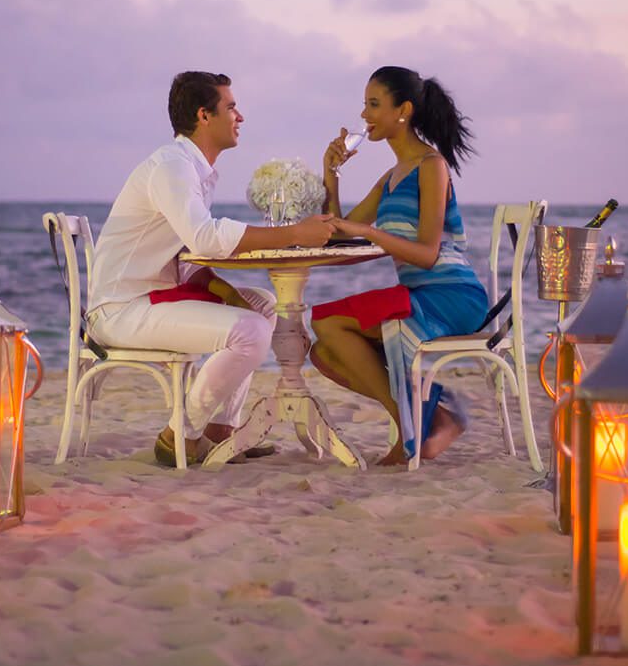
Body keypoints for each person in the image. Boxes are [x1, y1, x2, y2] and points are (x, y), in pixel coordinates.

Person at [87, 71, 336, 466]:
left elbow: (186, 257)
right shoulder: (172, 167)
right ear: (205, 116)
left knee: (263, 306)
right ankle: (179, 436)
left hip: (154, 296)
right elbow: (204, 238)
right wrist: (295, 234)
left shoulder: (192, 169)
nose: (240, 117)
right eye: (232, 107)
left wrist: (228, 292)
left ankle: (222, 432)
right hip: (120, 308)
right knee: (250, 330)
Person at [309, 65, 487, 466]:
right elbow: (338, 232)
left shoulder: (431, 166)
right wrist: (331, 175)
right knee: (324, 352)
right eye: (364, 104)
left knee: (328, 325)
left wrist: (369, 233)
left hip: (452, 295)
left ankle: (413, 426)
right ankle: (431, 415)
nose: (364, 115)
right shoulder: (390, 177)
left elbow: (426, 253)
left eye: (374, 104)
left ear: (402, 110)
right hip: (419, 295)